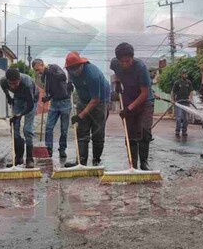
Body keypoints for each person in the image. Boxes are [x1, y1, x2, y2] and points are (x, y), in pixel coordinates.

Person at [110, 42, 155, 170]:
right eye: (122, 61)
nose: (125, 64)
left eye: (128, 61)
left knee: (144, 131)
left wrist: (128, 109)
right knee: (130, 133)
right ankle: (133, 164)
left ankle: (144, 163)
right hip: (128, 99)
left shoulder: (141, 68)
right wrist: (117, 83)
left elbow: (144, 93)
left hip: (144, 101)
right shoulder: (115, 63)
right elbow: (116, 71)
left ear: (132, 58)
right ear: (118, 60)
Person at [64, 52, 111, 167]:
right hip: (83, 100)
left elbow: (95, 100)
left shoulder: (92, 75)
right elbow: (70, 73)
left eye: (75, 68)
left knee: (97, 132)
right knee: (82, 132)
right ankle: (81, 162)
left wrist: (80, 115)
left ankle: (96, 160)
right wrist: (69, 82)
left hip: (100, 101)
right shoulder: (71, 70)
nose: (73, 71)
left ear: (81, 65)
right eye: (70, 69)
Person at [0, 68, 39, 168]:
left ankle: (30, 159)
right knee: (14, 129)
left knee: (27, 130)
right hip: (18, 99)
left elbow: (30, 105)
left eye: (16, 83)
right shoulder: (3, 81)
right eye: (11, 84)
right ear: (7, 81)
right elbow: (5, 90)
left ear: (19, 79)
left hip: (31, 100)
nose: (13, 86)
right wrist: (10, 99)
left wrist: (20, 114)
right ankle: (18, 158)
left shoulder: (27, 82)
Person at [32, 59, 71, 159]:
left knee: (64, 129)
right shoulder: (44, 77)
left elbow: (63, 77)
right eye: (36, 71)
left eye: (38, 69)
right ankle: (48, 149)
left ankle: (62, 150)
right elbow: (52, 91)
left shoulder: (53, 68)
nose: (38, 72)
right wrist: (48, 98)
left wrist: (50, 73)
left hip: (65, 102)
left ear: (42, 64)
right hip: (54, 103)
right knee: (48, 127)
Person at [171, 70, 194, 137]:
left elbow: (191, 91)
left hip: (186, 103)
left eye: (186, 74)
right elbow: (173, 91)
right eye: (184, 74)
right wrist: (172, 100)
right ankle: (177, 131)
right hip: (179, 103)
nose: (185, 75)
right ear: (181, 74)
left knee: (186, 118)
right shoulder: (177, 83)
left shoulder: (189, 82)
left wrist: (190, 99)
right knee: (178, 117)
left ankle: (184, 131)